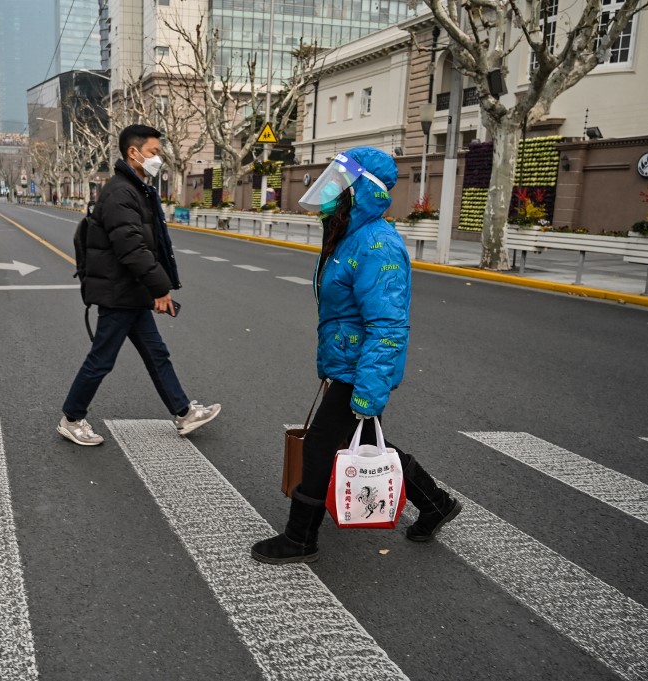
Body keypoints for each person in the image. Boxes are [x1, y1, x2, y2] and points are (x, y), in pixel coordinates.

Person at [251, 147, 461, 565]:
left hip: (361, 367)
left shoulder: (377, 245)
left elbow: (388, 326)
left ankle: (300, 537)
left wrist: (368, 389)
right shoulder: (350, 236)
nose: (328, 190)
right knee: (361, 440)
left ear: (361, 191)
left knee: (320, 445)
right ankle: (435, 503)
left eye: (338, 184)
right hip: (350, 361)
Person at [58, 124, 220, 446]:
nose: (158, 158)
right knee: (102, 359)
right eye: (153, 152)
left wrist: (153, 288)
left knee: (156, 353)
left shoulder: (134, 188)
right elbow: (132, 248)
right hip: (119, 293)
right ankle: (71, 419)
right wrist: (159, 288)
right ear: (133, 152)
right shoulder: (121, 192)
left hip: (130, 291)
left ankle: (183, 412)